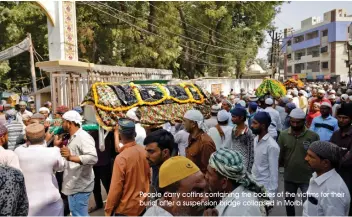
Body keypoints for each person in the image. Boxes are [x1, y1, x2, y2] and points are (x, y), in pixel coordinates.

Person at [14, 123, 65, 216]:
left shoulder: (18, 151)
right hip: (51, 199)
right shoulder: (53, 151)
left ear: (27, 138)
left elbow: (31, 147)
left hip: (28, 201)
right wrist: (56, 146)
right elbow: (60, 167)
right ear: (45, 135)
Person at [54, 110, 98, 216]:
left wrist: (70, 157)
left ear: (70, 123)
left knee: (79, 214)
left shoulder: (83, 137)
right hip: (75, 183)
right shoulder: (73, 137)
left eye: (64, 121)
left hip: (80, 185)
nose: (62, 124)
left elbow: (93, 158)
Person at [278, 108, 320, 216]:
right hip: (289, 177)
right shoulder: (283, 135)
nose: (295, 124)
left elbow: (317, 157)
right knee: (289, 203)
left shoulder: (313, 136)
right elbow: (280, 155)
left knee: (308, 205)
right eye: (292, 121)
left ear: (304, 120)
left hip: (307, 178)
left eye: (298, 122)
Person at [205, 148, 271, 216]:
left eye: (209, 174)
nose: (206, 177)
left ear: (224, 182)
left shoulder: (240, 212)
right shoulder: (231, 192)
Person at [105, 118, 150, 216]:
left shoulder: (121, 158)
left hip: (125, 210)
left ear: (120, 135)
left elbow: (115, 188)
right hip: (141, 206)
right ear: (134, 134)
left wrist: (108, 210)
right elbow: (148, 178)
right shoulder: (145, 152)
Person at [303, 141, 350, 216]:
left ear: (325, 163)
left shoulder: (333, 192)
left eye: (311, 156)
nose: (306, 158)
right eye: (307, 155)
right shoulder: (316, 177)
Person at [251, 112, 280, 199]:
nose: (252, 125)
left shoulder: (272, 146)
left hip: (264, 188)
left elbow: (274, 172)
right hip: (253, 184)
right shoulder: (256, 139)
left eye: (255, 123)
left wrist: (270, 196)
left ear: (263, 126)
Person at [330, 103, 352, 215]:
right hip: (335, 177)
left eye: (345, 118)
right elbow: (329, 152)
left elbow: (347, 161)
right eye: (340, 117)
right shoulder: (335, 134)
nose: (341, 120)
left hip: (348, 178)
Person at [183, 109, 216, 173]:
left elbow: (208, 170)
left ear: (193, 124)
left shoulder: (205, 143)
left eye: (185, 121)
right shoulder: (191, 137)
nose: (183, 123)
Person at [144, 129, 175, 195]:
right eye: (146, 151)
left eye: (151, 151)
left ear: (165, 152)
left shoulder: (170, 177)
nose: (146, 155)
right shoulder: (161, 172)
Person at [227, 107, 254, 171]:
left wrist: (248, 171)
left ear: (241, 118)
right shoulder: (233, 130)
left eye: (234, 117)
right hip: (233, 165)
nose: (232, 119)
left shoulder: (248, 133)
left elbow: (251, 154)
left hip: (243, 167)